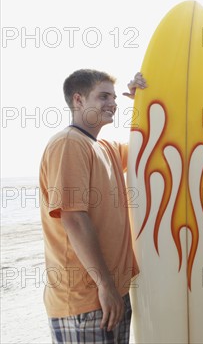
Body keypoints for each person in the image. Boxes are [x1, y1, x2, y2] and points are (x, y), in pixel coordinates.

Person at [39, 69, 146, 343]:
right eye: (103, 96)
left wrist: (143, 101)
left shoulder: (104, 147)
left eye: (113, 97)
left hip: (109, 294)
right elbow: (73, 219)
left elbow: (147, 147)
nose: (112, 103)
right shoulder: (68, 144)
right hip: (87, 298)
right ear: (78, 100)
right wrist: (105, 285)